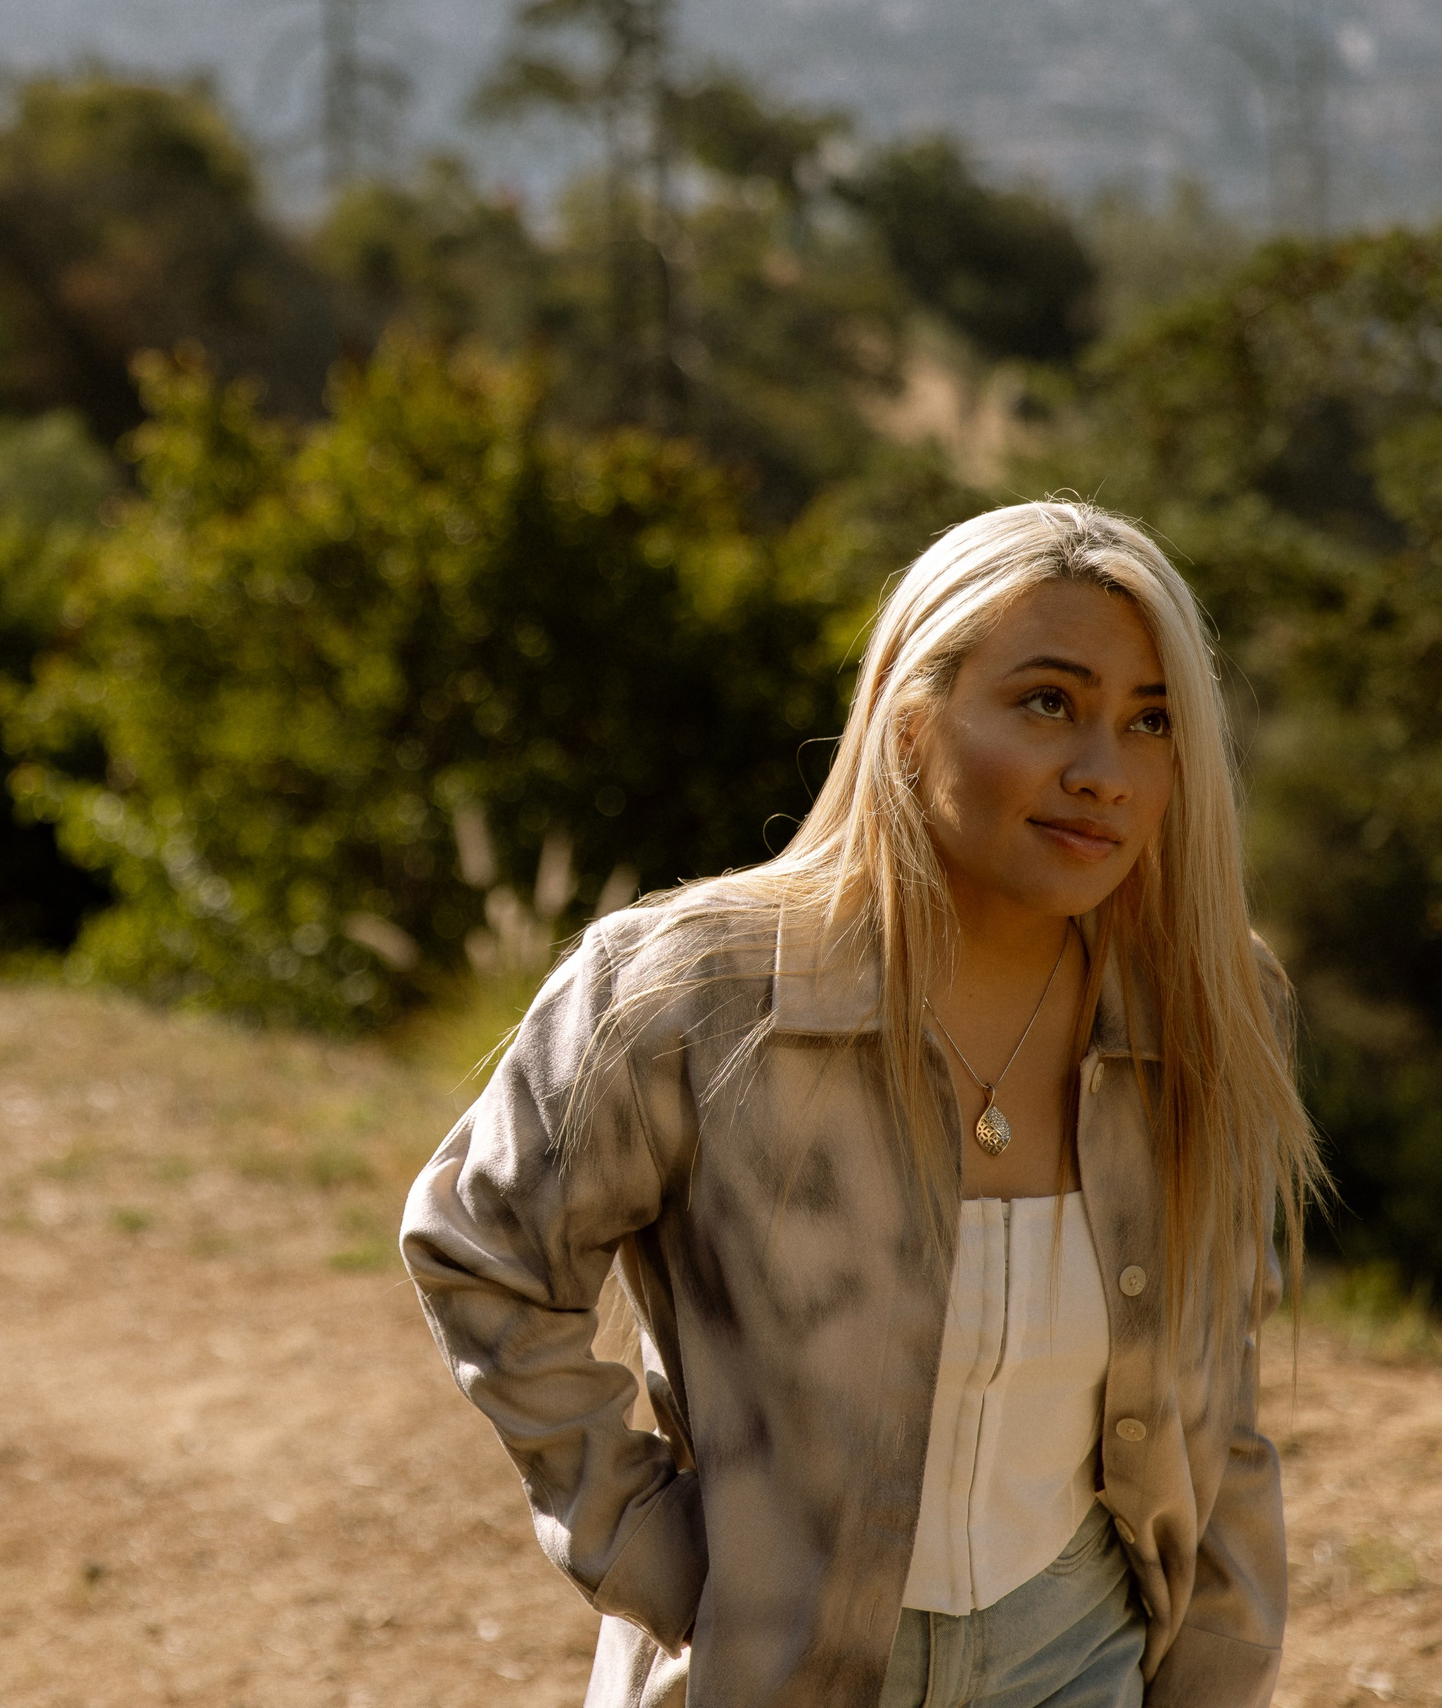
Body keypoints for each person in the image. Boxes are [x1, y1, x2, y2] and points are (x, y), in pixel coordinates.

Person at [400, 500, 1322, 1708]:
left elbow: (1218, 1400)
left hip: (1080, 1660)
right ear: (909, 716)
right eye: (1049, 702)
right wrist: (658, 1550)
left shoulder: (1205, 1004)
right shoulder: (689, 991)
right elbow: (482, 1254)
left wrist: (1217, 1672)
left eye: (1150, 722)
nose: (1102, 773)